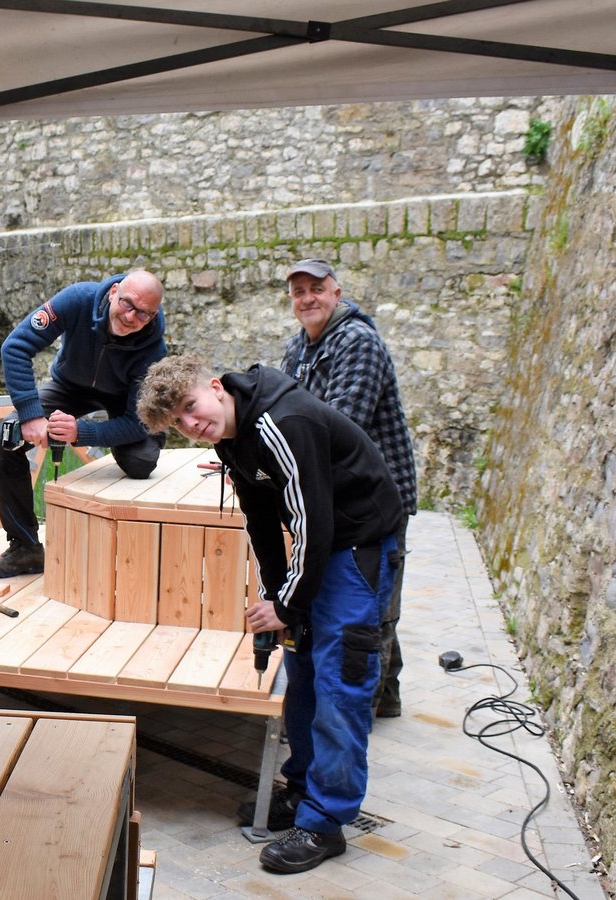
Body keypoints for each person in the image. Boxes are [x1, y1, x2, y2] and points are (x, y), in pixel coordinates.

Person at [137, 354, 402, 875]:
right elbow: (262, 523)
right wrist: (278, 597)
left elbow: (313, 521)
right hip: (325, 544)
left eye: (191, 407)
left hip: (359, 542)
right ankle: (304, 791)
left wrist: (287, 603)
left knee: (339, 680)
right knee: (301, 672)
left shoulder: (284, 421)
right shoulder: (232, 441)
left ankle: (326, 823)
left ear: (215, 387)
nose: (192, 425)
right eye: (178, 424)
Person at [281, 258, 417, 724]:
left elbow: (338, 427)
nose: (307, 299)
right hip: (340, 494)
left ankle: (363, 708)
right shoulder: (299, 347)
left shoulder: (358, 343)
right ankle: (389, 695)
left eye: (316, 289)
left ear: (337, 293)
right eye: (298, 292)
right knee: (375, 597)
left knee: (371, 608)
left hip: (375, 498)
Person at [0, 269, 168, 578]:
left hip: (123, 398)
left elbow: (137, 422)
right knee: (5, 438)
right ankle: (25, 548)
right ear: (113, 292)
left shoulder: (154, 348)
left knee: (141, 462)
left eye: (145, 314)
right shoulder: (77, 300)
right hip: (69, 385)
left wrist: (83, 432)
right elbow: (14, 348)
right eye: (128, 304)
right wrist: (30, 414)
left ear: (154, 314)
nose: (132, 317)